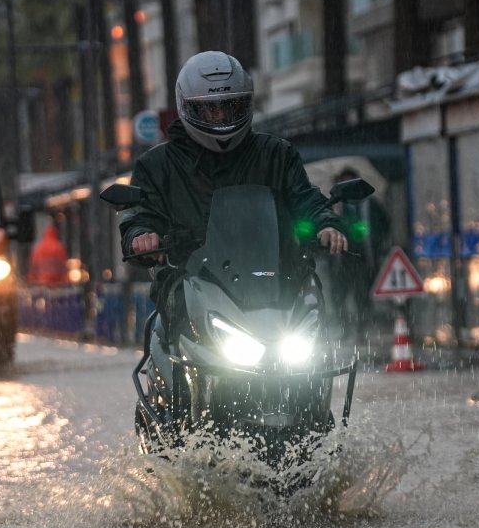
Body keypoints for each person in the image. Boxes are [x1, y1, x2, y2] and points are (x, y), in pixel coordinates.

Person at [120, 51, 348, 336]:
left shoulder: (276, 154)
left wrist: (325, 223)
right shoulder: (157, 166)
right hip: (192, 283)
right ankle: (178, 376)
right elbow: (140, 213)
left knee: (313, 341)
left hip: (276, 280)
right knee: (178, 332)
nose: (220, 117)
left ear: (246, 104)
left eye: (230, 106)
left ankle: (316, 377)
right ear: (186, 107)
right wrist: (141, 235)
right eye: (209, 109)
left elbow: (304, 198)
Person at [326, 167, 391, 338]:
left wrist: (371, 237)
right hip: (340, 260)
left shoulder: (371, 205)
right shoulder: (332, 205)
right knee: (338, 298)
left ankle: (361, 331)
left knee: (362, 298)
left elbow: (383, 226)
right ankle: (345, 330)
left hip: (363, 260)